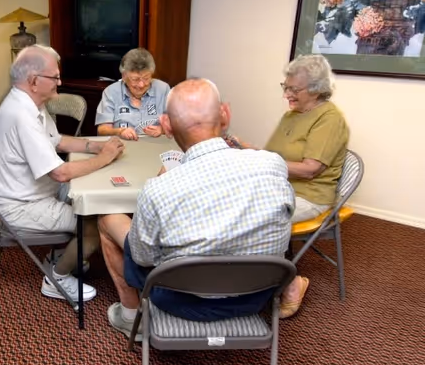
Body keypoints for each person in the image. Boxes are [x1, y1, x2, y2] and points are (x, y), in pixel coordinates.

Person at [97, 78, 308, 342]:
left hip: (179, 300)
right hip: (258, 296)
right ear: (225, 115)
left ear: (166, 126)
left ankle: (131, 317)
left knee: (108, 220)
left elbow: (142, 258)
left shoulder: (158, 190)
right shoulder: (274, 166)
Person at [0, 44, 125, 302]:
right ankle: (57, 279)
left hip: (37, 192)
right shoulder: (21, 115)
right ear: (33, 81)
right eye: (55, 77)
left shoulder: (32, 104)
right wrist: (105, 158)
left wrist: (94, 147)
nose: (59, 82)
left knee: (94, 200)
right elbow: (61, 173)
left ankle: (61, 257)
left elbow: (58, 141)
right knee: (95, 226)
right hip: (22, 206)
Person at [226, 54, 349, 225]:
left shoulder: (330, 119)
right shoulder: (291, 115)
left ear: (317, 89)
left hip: (308, 196)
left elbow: (309, 170)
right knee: (225, 201)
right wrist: (245, 147)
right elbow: (273, 156)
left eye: (294, 90)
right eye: (285, 87)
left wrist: (260, 160)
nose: (286, 95)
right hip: (277, 187)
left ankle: (261, 251)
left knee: (245, 220)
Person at [95, 48, 170, 140]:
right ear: (124, 76)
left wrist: (161, 130)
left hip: (156, 146)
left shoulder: (163, 89)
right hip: (122, 146)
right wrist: (120, 131)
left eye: (146, 78)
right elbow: (102, 130)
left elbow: (177, 125)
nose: (141, 85)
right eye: (135, 79)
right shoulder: (111, 92)